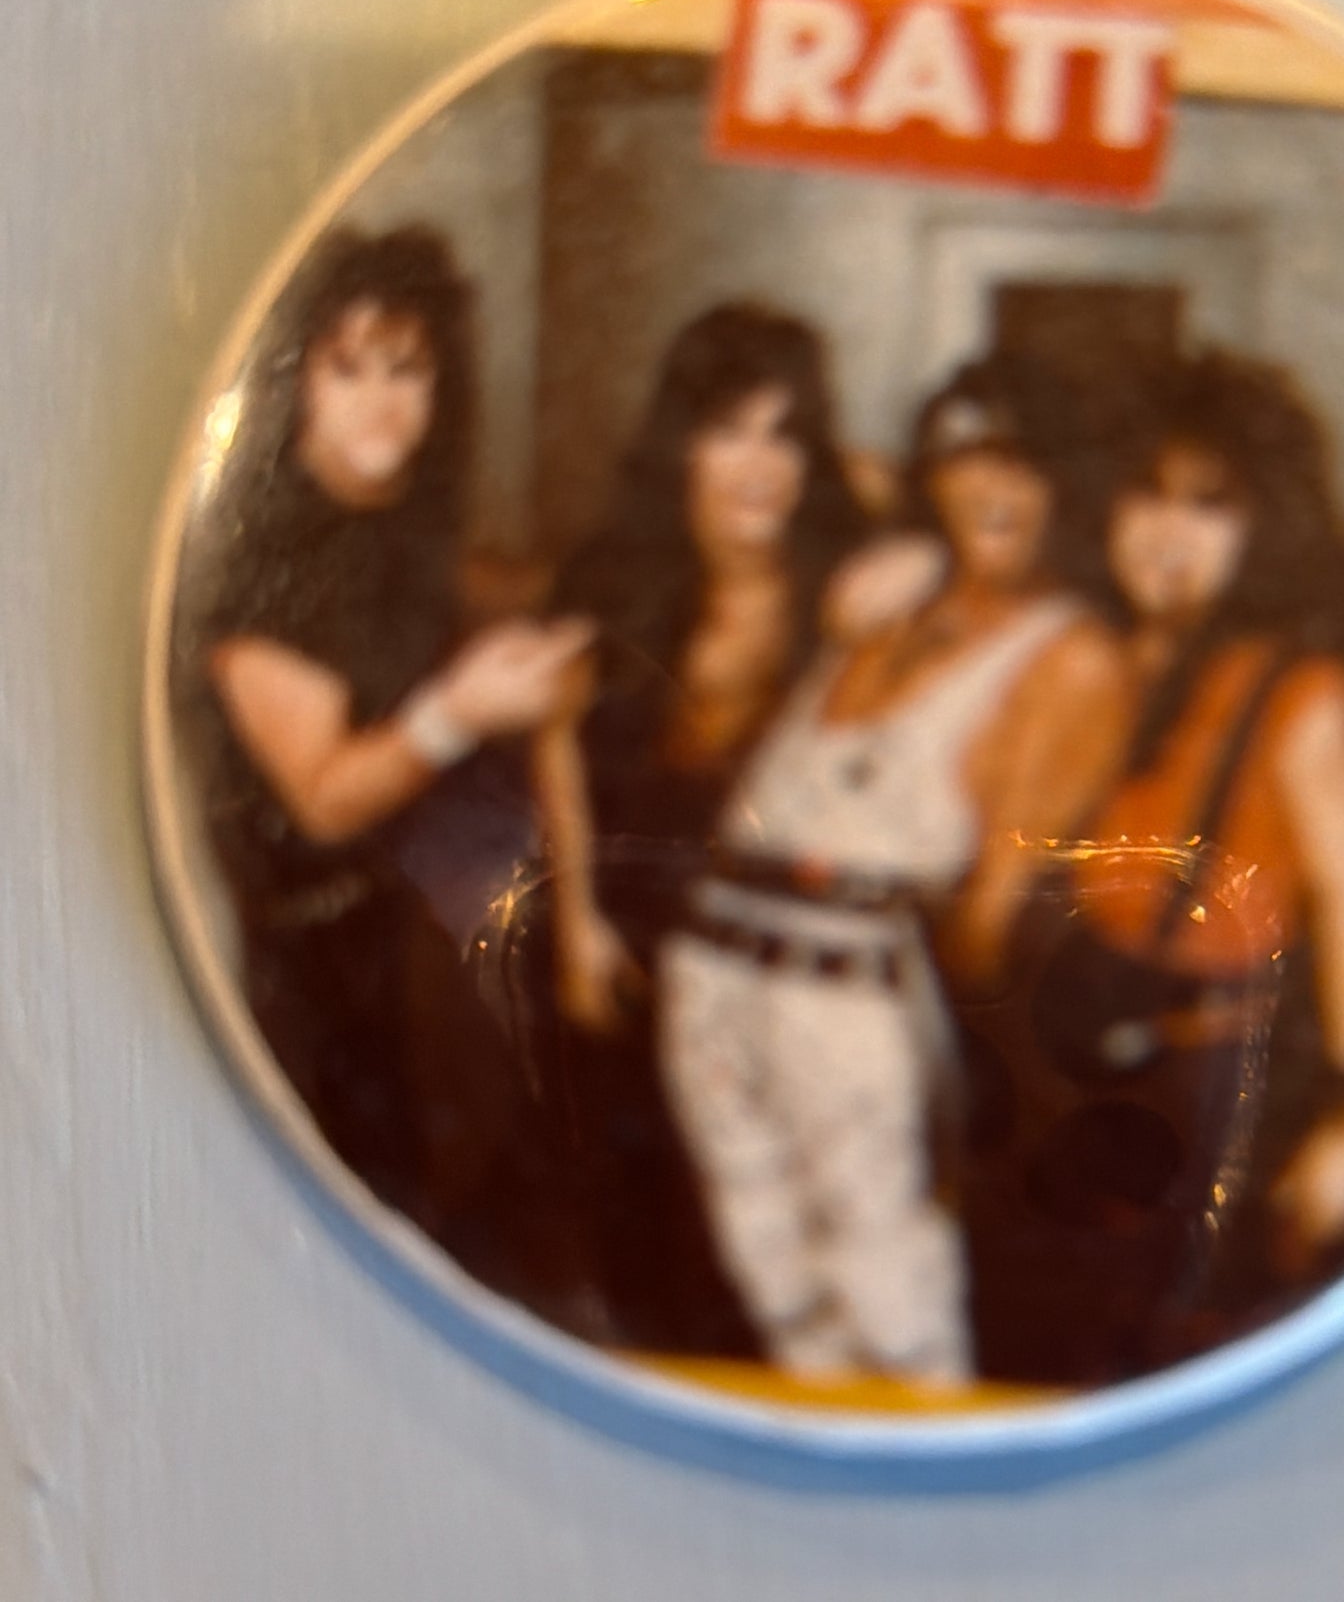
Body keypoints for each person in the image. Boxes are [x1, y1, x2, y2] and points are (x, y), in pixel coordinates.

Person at [654, 351, 1131, 1384]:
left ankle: (934, 1478)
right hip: (713, 966)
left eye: (1022, 464)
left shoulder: (1069, 651)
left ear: (1066, 485)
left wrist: (906, 1027)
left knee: (889, 1294)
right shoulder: (888, 602)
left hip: (842, 973)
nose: (992, 488)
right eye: (965, 460)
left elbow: (992, 914)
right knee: (775, 1281)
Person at [960, 350, 1344, 1382]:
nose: (1168, 534)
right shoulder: (1091, 655)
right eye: (1146, 496)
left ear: (1264, 529)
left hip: (1198, 1092)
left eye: (1210, 507)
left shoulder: (1300, 694)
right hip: (1049, 1068)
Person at [189, 225, 590, 1270]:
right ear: (296, 381)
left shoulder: (388, 510)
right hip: (283, 955)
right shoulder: (271, 552)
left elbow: (455, 583)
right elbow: (322, 798)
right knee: (334, 1236)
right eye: (348, 367)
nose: (381, 400)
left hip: (375, 931)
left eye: (406, 368)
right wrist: (461, 705)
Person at [530, 300, 871, 1352]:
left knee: (764, 1254)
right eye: (728, 430)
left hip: (777, 969)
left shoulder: (844, 584)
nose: (758, 465)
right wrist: (576, 921)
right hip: (627, 949)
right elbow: (556, 739)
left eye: (785, 435)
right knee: (636, 1235)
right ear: (681, 442)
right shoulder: (612, 574)